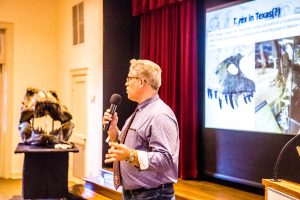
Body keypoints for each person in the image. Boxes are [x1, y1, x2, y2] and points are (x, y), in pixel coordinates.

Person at [102, 59, 179, 200]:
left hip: (153, 195)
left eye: (129, 78)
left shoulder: (160, 114)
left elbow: (166, 159)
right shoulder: (141, 110)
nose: (125, 83)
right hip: (135, 194)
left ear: (141, 82)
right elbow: (132, 146)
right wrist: (113, 130)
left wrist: (130, 155)